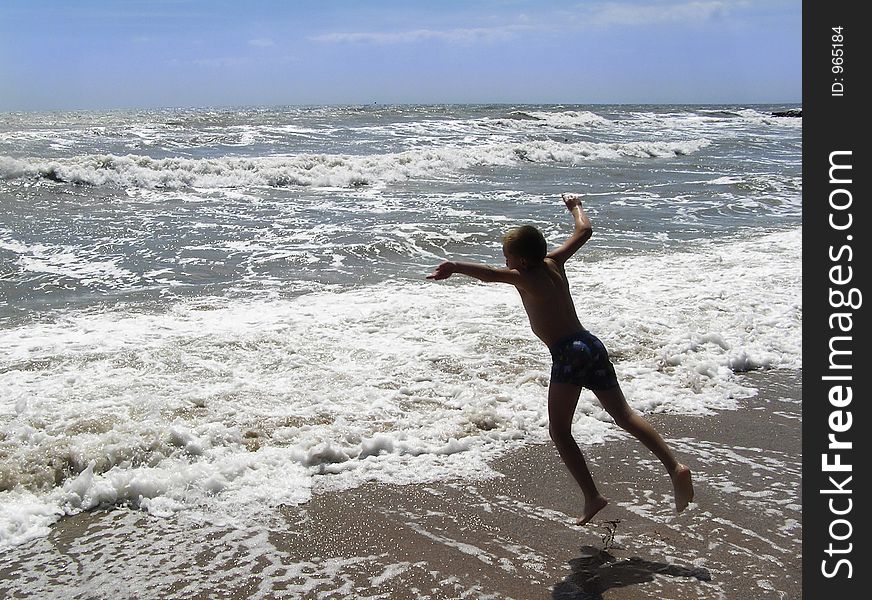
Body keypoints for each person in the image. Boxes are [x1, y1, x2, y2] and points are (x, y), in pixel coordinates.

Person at [426, 194, 694, 526]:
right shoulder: (554, 262)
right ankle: (674, 466)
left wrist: (454, 267)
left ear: (521, 261)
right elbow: (584, 231)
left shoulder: (522, 277)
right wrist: (575, 206)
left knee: (560, 430)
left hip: (568, 353)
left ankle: (592, 496)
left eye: (508, 256)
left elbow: (490, 274)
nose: (505, 261)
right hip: (591, 344)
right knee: (623, 414)